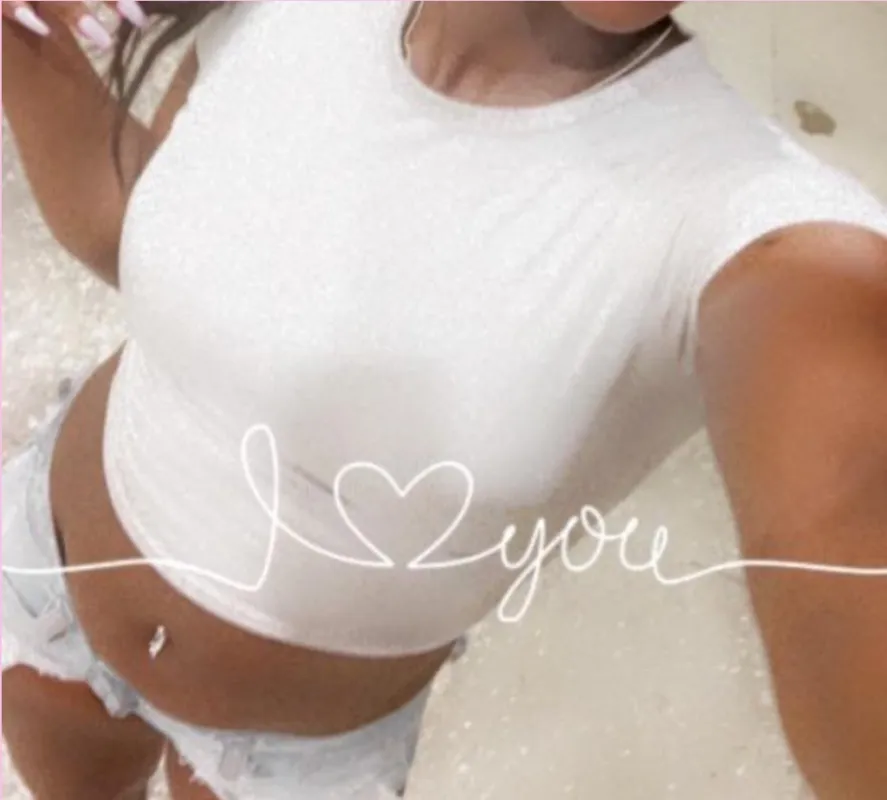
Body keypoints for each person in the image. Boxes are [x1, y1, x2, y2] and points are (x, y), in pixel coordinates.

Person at [3, 2, 887, 798]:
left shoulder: (767, 228)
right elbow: (150, 236)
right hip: (45, 581)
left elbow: (845, 512)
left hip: (293, 762)